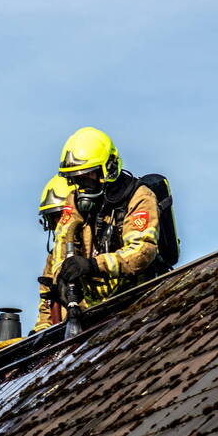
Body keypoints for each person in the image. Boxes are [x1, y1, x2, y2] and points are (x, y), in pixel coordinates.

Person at [32, 127, 161, 333]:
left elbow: (141, 252)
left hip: (136, 297)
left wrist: (93, 265)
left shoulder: (139, 197)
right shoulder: (74, 200)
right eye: (76, 179)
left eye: (86, 177)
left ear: (108, 168)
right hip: (93, 309)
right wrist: (62, 276)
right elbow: (62, 241)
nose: (81, 186)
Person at [34, 175, 76, 331]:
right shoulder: (52, 260)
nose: (59, 225)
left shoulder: (96, 247)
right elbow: (46, 312)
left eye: (61, 216)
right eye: (53, 219)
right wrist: (41, 333)